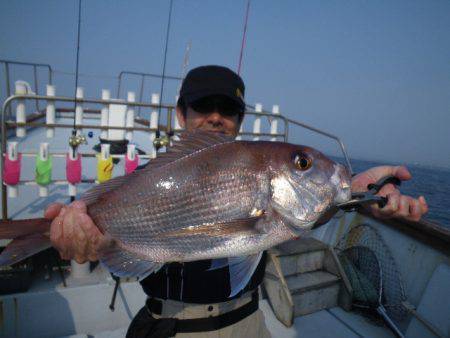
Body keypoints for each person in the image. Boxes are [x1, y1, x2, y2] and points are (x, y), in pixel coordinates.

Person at [45, 65, 428, 337]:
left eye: (227, 109)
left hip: (250, 324)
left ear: (240, 118)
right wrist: (85, 238)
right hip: (174, 329)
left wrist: (359, 192)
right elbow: (119, 262)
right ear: (181, 113)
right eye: (202, 106)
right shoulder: (148, 180)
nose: (215, 117)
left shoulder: (273, 202)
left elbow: (301, 213)